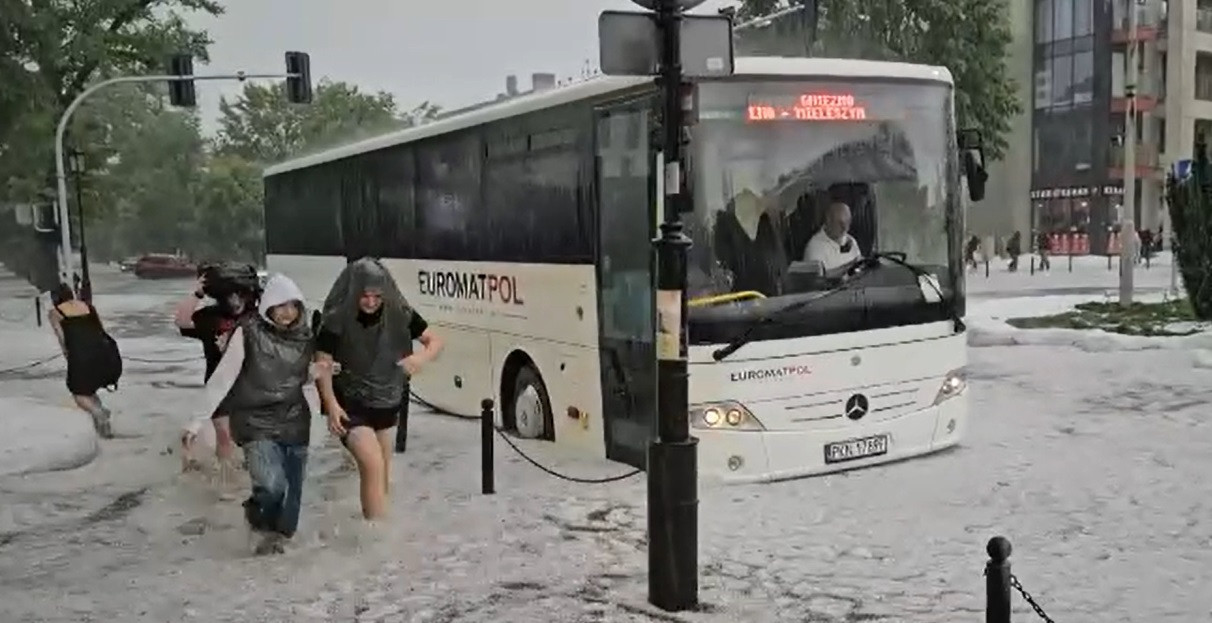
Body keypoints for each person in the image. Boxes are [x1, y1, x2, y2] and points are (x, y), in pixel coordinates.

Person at [314, 258, 443, 520]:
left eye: (377, 296)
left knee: (382, 471)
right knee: (372, 464)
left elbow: (435, 340)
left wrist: (420, 358)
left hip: (386, 400)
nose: (371, 302)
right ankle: (374, 535)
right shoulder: (336, 317)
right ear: (354, 293)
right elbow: (322, 363)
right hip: (349, 401)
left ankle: (381, 538)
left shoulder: (398, 312)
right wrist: (331, 405)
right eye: (365, 296)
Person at [207, 274, 316, 555]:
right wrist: (195, 421)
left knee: (290, 509)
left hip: (295, 422)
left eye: (293, 306)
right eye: (280, 306)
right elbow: (223, 378)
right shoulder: (248, 332)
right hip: (255, 422)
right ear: (267, 305)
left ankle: (274, 562)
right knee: (271, 485)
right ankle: (256, 518)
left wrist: (318, 374)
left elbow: (301, 377)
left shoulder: (305, 336)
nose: (287, 313)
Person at [175, 265, 259, 470]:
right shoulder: (209, 316)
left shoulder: (257, 317)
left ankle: (248, 472)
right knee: (224, 435)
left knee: (250, 437)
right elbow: (182, 322)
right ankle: (227, 482)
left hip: (251, 386)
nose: (235, 301)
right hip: (217, 386)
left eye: (240, 295)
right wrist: (197, 293)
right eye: (230, 295)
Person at [48, 283, 122, 438]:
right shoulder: (88, 306)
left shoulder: (55, 312)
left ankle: (99, 413)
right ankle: (104, 429)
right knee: (90, 390)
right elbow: (100, 329)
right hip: (103, 351)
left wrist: (69, 357)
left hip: (81, 353)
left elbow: (61, 337)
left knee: (78, 392)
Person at [802, 201, 861, 271]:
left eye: (847, 222)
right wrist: (848, 267)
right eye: (840, 223)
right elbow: (818, 279)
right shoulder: (814, 248)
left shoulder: (851, 241)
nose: (845, 228)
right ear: (828, 220)